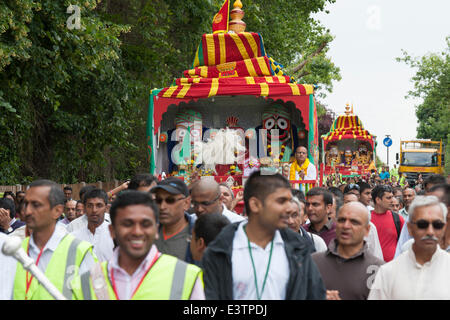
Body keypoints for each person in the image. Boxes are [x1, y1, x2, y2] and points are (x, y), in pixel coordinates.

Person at [202, 171, 326, 300]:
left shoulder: (299, 248)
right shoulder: (219, 250)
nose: (289, 209)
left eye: (289, 201)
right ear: (255, 205)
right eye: (281, 201)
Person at [71, 190, 204, 300]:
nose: (137, 232)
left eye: (145, 224)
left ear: (156, 229)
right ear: (112, 231)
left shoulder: (186, 276)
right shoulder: (85, 282)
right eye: (127, 224)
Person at [8, 179, 96, 300]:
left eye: (36, 205)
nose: (27, 211)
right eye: (25, 204)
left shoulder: (80, 253)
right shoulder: (13, 251)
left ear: (57, 211)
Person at [368, 196, 449, 299]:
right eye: (422, 224)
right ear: (410, 228)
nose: (430, 232)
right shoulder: (388, 272)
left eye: (437, 225)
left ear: (444, 228)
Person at [312, 202, 385, 300]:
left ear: (367, 230)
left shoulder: (378, 268)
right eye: (342, 220)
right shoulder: (313, 262)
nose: (346, 226)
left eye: (354, 222)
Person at [151, 178, 196, 263]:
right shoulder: (148, 233)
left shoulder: (197, 237)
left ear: (186, 203)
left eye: (170, 200)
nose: (162, 207)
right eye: (158, 200)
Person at [71, 189, 114, 262]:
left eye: (99, 205)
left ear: (106, 208)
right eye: (90, 206)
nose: (94, 210)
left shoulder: (116, 236)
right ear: (84, 208)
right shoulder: (74, 237)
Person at [370, 185, 404, 262]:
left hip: (393, 267)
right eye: (388, 198)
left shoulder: (398, 219)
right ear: (378, 200)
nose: (392, 200)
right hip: (371, 268)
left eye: (392, 197)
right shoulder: (366, 219)